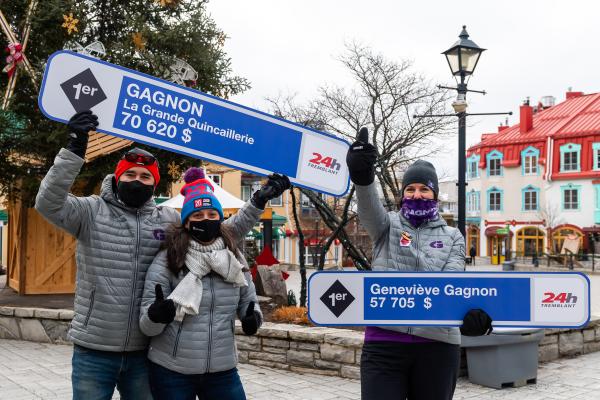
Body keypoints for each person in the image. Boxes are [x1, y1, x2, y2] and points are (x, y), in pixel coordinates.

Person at [35, 110, 180, 400]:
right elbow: (48, 204)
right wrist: (74, 149)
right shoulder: (91, 210)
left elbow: (212, 234)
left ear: (154, 184)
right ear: (117, 176)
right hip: (94, 349)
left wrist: (257, 202)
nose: (137, 180)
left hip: (146, 349)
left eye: (144, 176)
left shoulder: (169, 219)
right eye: (130, 174)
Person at [346, 128, 492, 400]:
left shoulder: (453, 236)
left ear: (435, 194)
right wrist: (362, 177)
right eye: (410, 189)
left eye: (424, 189)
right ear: (402, 194)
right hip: (384, 343)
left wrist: (467, 317)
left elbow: (451, 287)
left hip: (437, 346)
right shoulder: (385, 225)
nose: (417, 194)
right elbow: (367, 208)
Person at [140, 167, 290, 400]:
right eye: (197, 216)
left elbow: (248, 301)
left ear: (220, 219)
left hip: (222, 369)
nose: (205, 220)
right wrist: (156, 315)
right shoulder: (168, 259)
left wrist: (253, 318)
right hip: (172, 370)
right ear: (186, 222)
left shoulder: (233, 257)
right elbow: (147, 326)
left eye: (212, 215)